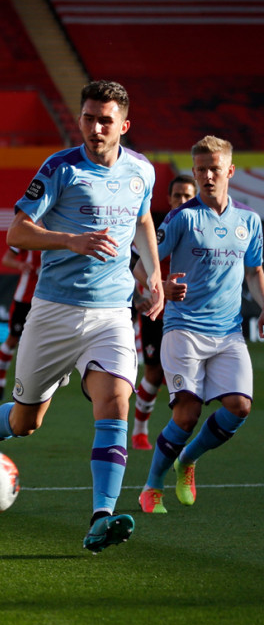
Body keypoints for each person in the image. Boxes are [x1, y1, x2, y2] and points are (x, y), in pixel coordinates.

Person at [0, 80, 163, 553]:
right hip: (55, 311)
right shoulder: (61, 168)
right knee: (26, 423)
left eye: (105, 120)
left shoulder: (142, 171)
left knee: (115, 404)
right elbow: (15, 232)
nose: (95, 127)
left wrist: (154, 277)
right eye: (88, 117)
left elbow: (143, 219)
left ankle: (101, 516)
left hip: (112, 314)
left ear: (124, 125)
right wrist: (68, 239)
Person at [138, 136, 263, 514]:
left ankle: (187, 460)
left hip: (228, 332)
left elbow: (255, 271)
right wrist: (159, 286)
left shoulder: (249, 221)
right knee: (187, 414)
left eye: (214, 169)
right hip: (184, 328)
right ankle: (152, 484)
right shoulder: (182, 217)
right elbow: (143, 264)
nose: (207, 176)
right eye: (200, 170)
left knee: (239, 407)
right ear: (193, 172)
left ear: (229, 171)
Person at [130, 174, 197, 450]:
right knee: (155, 373)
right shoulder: (159, 231)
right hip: (158, 312)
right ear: (169, 199)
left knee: (186, 376)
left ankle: (176, 436)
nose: (182, 200)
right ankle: (139, 431)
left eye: (187, 196)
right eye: (177, 196)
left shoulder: (205, 231)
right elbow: (133, 261)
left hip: (192, 315)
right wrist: (141, 293)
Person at [0, 246, 40, 401]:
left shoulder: (61, 234)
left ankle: (32, 389)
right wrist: (19, 265)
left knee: (40, 344)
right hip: (24, 300)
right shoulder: (30, 232)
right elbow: (6, 259)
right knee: (13, 340)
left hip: (47, 300)